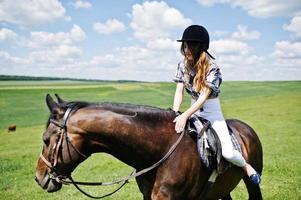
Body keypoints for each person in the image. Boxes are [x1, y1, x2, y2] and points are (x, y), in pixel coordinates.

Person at [172, 25, 261, 185]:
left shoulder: (213, 68)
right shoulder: (182, 65)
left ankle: (245, 166)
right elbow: (179, 92)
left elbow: (202, 98)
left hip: (211, 113)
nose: (186, 49)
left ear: (201, 47)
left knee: (227, 152)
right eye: (184, 45)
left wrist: (185, 115)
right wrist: (175, 113)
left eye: (190, 45)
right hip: (193, 110)